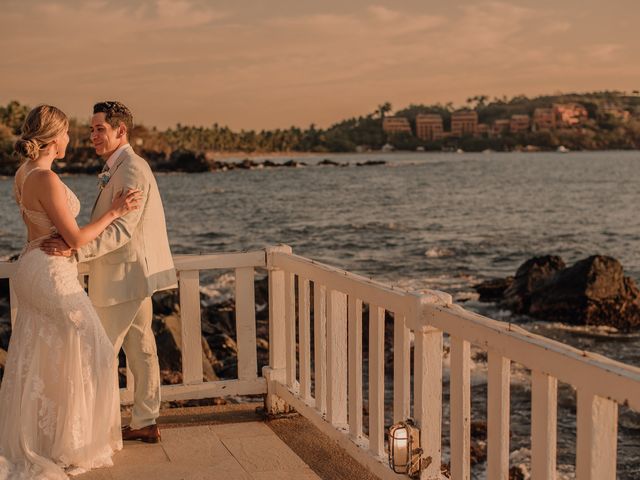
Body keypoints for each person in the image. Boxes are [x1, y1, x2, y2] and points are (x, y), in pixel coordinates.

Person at [0, 105, 142, 478]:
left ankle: (44, 438)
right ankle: (73, 444)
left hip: (32, 265)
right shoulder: (44, 178)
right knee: (95, 349)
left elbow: (42, 229)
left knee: (45, 352)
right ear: (51, 137)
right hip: (51, 272)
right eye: (65, 133)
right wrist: (115, 211)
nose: (69, 139)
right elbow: (75, 238)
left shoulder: (23, 173)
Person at [41, 101, 177, 443]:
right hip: (131, 276)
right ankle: (146, 420)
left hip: (122, 279)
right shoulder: (119, 167)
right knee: (142, 348)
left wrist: (75, 247)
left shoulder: (131, 168)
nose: (92, 136)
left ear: (121, 131)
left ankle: (94, 431)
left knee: (97, 353)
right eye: (90, 129)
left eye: (100, 129)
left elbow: (123, 230)